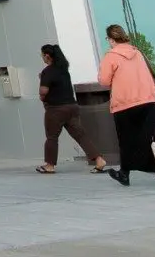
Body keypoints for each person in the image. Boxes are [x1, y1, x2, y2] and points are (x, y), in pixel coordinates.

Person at [98, 24, 155, 191]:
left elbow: (104, 81)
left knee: (126, 140)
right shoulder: (138, 53)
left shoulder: (111, 56)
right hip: (148, 102)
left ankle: (124, 174)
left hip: (124, 105)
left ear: (111, 39)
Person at [35, 44, 107, 174]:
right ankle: (99, 160)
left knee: (52, 137)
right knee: (80, 135)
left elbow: (43, 90)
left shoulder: (48, 71)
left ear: (47, 55)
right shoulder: (64, 70)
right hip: (72, 107)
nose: (42, 58)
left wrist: (41, 94)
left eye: (42, 55)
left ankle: (49, 166)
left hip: (56, 109)